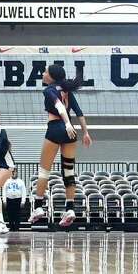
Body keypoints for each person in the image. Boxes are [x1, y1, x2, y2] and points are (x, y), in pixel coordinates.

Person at [29, 64, 93, 228]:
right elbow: (79, 113)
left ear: (51, 76)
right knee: (69, 172)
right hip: (70, 133)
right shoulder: (67, 90)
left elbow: (58, 106)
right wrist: (86, 133)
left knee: (44, 171)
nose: (43, 74)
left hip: (57, 128)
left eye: (45, 72)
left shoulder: (49, 89)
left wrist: (66, 123)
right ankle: (70, 208)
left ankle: (38, 207)